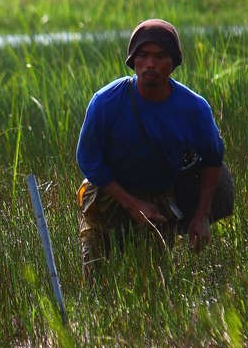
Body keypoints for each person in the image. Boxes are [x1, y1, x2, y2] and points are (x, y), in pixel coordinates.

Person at [75, 18, 228, 282]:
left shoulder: (194, 109)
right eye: (143, 55)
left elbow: (213, 160)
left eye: (160, 56)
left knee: (152, 284)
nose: (150, 64)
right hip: (107, 197)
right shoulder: (106, 102)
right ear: (132, 61)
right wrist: (132, 203)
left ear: (174, 63)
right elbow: (89, 160)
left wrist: (201, 216)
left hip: (158, 202)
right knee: (98, 282)